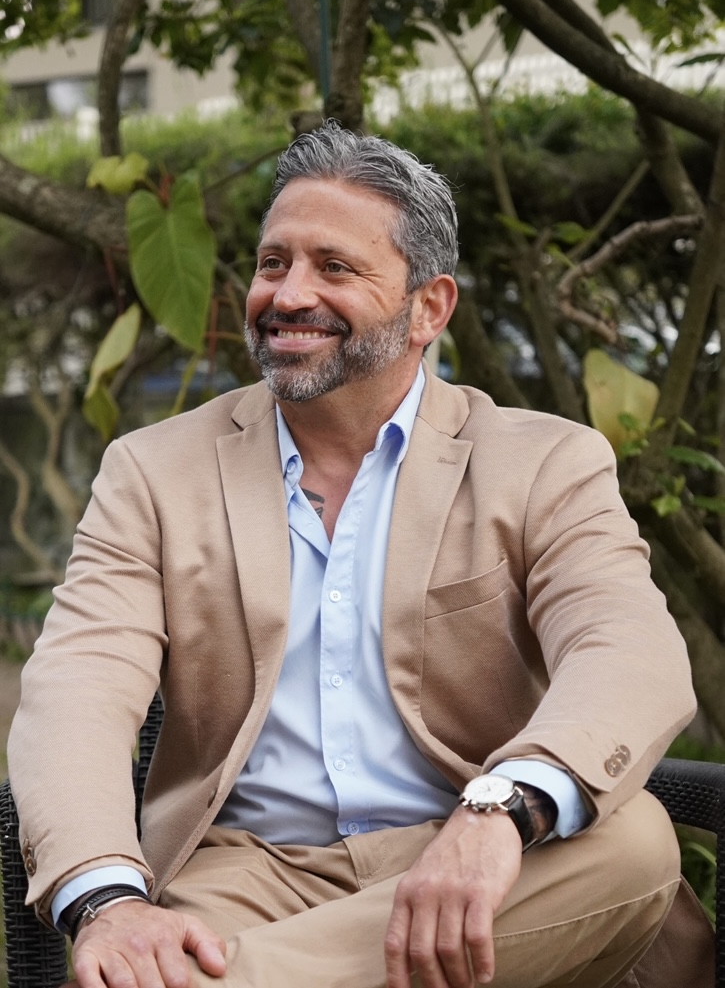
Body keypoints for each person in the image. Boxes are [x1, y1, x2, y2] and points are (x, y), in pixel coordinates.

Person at [8, 121, 710, 988]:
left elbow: (626, 649)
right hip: (248, 875)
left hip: (484, 858)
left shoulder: (543, 461)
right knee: (156, 951)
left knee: (634, 845)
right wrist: (110, 901)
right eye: (273, 263)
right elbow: (77, 687)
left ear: (429, 308)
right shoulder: (154, 472)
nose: (288, 293)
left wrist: (499, 811)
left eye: (334, 267)